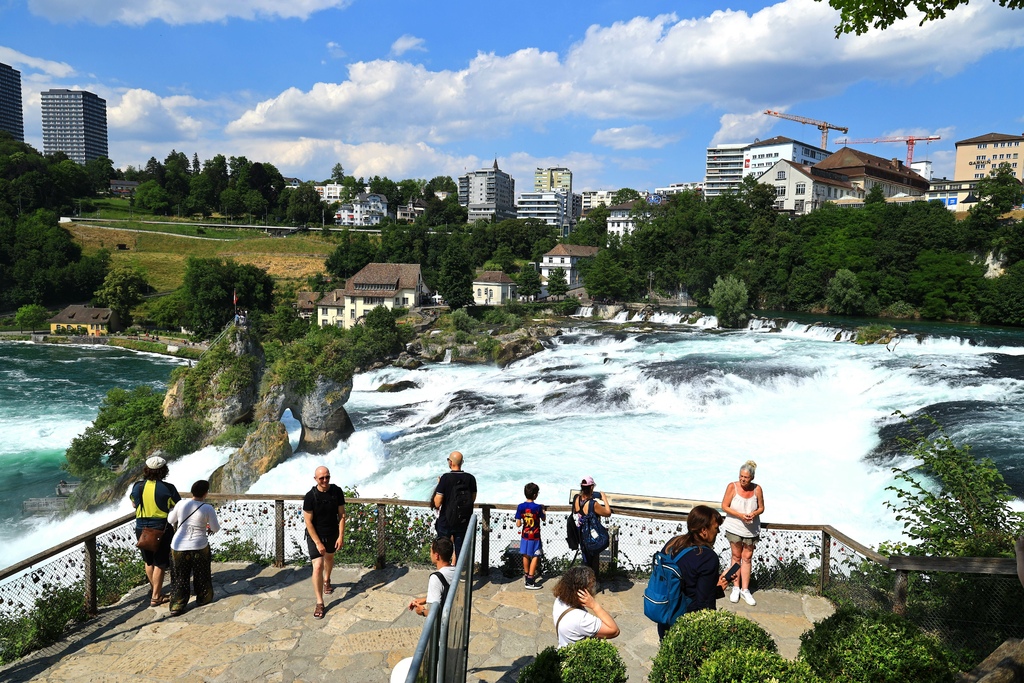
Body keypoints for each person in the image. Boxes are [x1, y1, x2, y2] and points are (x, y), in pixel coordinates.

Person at [656, 504, 729, 639]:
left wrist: (714, 585)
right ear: (703, 530)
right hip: (685, 624)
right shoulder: (707, 557)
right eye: (716, 528)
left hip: (665, 616)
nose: (718, 532)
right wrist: (717, 590)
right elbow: (704, 604)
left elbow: (686, 582)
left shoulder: (673, 543)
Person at [129, 455, 181, 607]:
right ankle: (156, 596)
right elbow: (176, 507)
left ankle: (155, 591)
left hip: (141, 528)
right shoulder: (168, 488)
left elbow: (133, 504)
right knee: (160, 562)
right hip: (160, 529)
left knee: (148, 560)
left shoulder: (137, 486)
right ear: (163, 471)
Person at [167, 479, 220, 616]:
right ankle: (203, 598)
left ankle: (177, 605)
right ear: (206, 493)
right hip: (199, 545)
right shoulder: (207, 508)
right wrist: (205, 524)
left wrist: (174, 511)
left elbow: (170, 520)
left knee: (179, 576)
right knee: (201, 573)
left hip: (178, 545)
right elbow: (215, 528)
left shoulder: (181, 503)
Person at [303, 465, 346, 619]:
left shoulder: (336, 491)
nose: (325, 480)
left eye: (327, 477)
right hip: (315, 535)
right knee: (318, 566)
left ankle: (327, 579)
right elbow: (308, 522)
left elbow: (341, 515)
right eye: (321, 478)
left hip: (332, 533)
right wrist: (318, 543)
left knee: (329, 558)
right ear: (316, 479)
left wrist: (341, 536)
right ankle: (320, 602)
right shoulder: (310, 496)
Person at [721, 460, 765, 607]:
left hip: (751, 529)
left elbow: (761, 508)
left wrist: (753, 513)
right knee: (736, 556)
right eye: (741, 476)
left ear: (751, 477)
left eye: (745, 477)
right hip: (734, 527)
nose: (742, 479)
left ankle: (745, 590)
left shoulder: (757, 489)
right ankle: (735, 587)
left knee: (747, 558)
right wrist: (740, 516)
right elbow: (724, 506)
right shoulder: (732, 487)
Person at [551, 565, 619, 648]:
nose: (594, 588)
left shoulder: (559, 601)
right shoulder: (581, 619)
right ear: (582, 592)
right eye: (591, 586)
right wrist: (595, 606)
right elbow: (614, 631)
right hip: (579, 657)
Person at [432, 451, 477, 559]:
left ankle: (445, 573)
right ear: (462, 462)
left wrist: (439, 486)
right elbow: (473, 498)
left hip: (446, 520)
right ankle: (458, 570)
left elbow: (437, 503)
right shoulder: (470, 478)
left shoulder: (445, 478)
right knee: (460, 550)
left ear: (450, 462)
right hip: (463, 520)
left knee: (443, 550)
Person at [572, 476, 612, 580]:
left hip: (580, 531)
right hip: (589, 533)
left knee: (585, 556)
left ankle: (584, 580)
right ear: (591, 488)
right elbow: (607, 513)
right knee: (592, 558)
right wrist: (604, 499)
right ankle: (590, 582)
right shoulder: (593, 504)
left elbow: (577, 510)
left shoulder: (577, 498)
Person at [408, 537, 457, 616]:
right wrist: (426, 599)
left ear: (437, 556)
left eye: (431, 552)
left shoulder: (436, 578)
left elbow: (434, 614)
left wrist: (422, 611)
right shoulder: (456, 572)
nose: (430, 554)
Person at [516, 482, 546, 590]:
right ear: (535, 495)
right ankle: (530, 580)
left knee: (525, 555)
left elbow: (518, 524)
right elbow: (543, 519)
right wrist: (543, 510)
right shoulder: (537, 508)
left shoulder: (520, 507)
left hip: (525, 535)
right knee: (535, 555)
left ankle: (526, 575)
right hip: (535, 536)